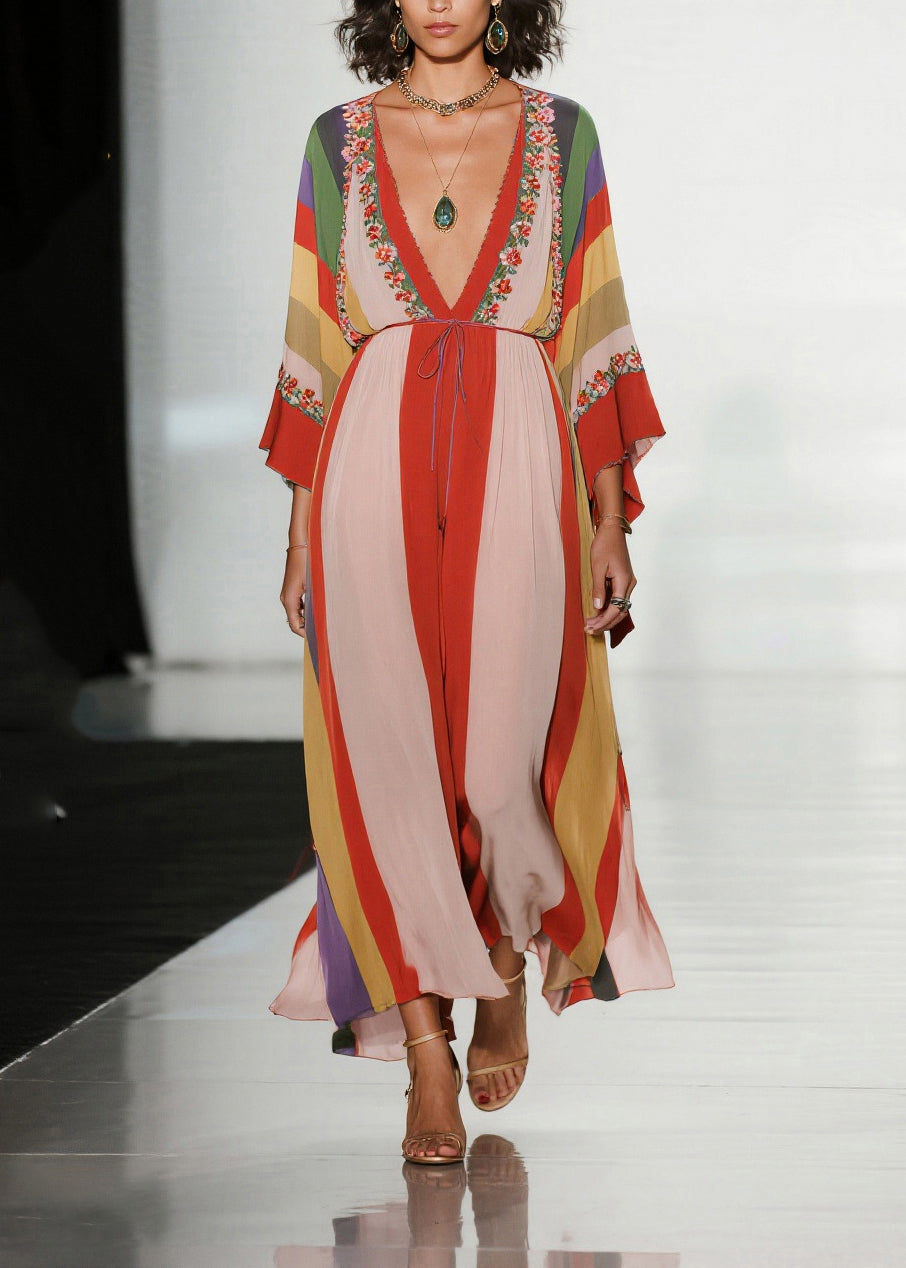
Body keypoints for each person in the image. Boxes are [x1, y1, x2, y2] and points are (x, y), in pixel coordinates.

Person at [259, 0, 674, 1166]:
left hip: (522, 462)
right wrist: (298, 535)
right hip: (368, 468)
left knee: (498, 763)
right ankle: (427, 1053)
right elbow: (313, 334)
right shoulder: (337, 139)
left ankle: (501, 955)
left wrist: (609, 520)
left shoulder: (563, 133)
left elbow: (591, 326)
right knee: (391, 765)